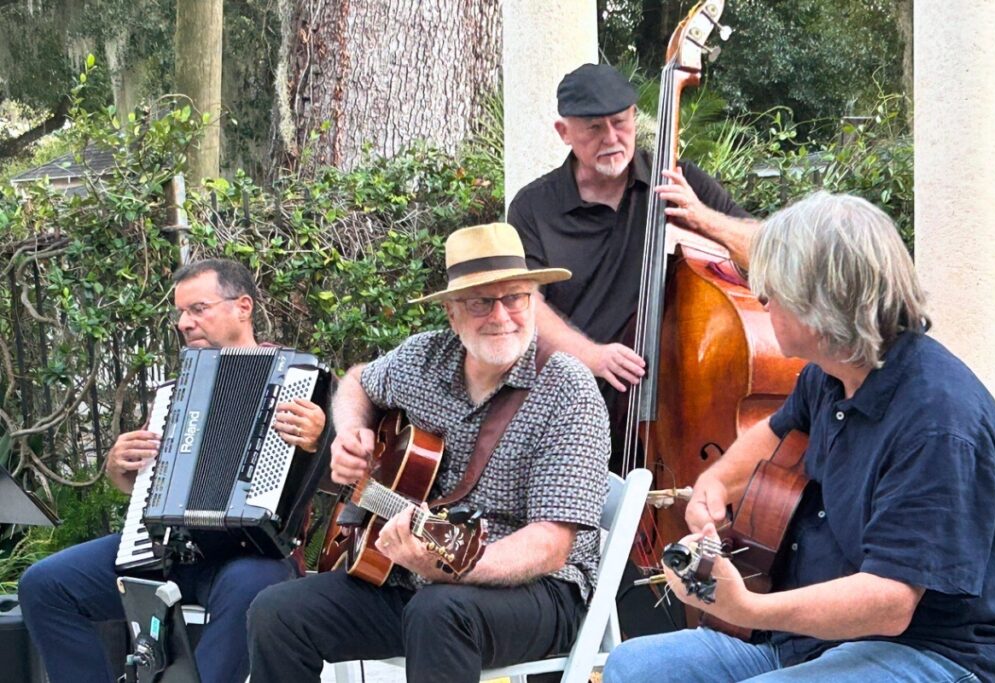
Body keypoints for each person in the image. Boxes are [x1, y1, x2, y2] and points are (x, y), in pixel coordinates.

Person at [602, 192, 995, 683]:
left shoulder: (939, 424)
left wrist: (750, 608)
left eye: (775, 290)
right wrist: (715, 485)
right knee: (634, 667)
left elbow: (889, 604)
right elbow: (774, 431)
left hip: (930, 652)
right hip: (814, 640)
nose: (763, 300)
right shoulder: (830, 373)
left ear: (823, 305)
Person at [246, 223, 611, 683]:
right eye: (481, 302)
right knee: (277, 612)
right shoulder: (422, 359)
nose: (501, 315)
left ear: (533, 302)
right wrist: (352, 432)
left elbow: (550, 545)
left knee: (439, 611)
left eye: (515, 297)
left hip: (538, 589)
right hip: (416, 582)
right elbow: (358, 380)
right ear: (452, 313)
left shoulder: (567, 390)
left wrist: (453, 569)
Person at [19, 258, 327, 683]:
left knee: (252, 588)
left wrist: (318, 442)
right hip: (166, 548)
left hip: (253, 554)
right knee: (45, 585)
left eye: (198, 309)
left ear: (243, 307)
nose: (185, 323)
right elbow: (150, 486)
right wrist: (121, 469)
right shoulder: (178, 391)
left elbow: (342, 478)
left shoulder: (300, 379)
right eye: (181, 313)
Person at [507, 62, 759, 409]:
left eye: (620, 122)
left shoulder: (679, 182)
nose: (611, 138)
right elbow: (525, 300)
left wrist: (704, 218)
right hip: (573, 401)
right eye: (594, 128)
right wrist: (591, 356)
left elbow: (767, 250)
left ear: (634, 116)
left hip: (676, 407)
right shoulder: (533, 206)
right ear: (564, 132)